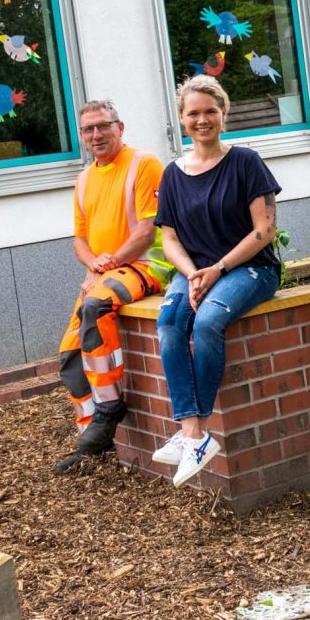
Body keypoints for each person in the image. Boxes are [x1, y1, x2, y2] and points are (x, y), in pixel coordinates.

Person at [151, 75, 281, 487]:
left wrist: (217, 270)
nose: (202, 119)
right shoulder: (172, 174)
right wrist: (192, 273)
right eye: (193, 113)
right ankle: (192, 431)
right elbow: (168, 237)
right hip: (195, 270)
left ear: (224, 113)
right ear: (182, 119)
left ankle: (194, 434)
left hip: (250, 269)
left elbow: (264, 230)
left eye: (210, 111)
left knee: (207, 322)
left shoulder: (246, 162)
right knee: (170, 322)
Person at [55, 99, 172, 473]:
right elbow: (79, 240)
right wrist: (94, 263)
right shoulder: (84, 178)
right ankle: (92, 440)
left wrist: (109, 263)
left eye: (103, 126)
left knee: (97, 306)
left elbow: (148, 230)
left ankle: (109, 406)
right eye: (88, 129)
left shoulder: (144, 164)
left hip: (146, 265)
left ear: (120, 128)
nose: (96, 134)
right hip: (106, 272)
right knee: (69, 356)